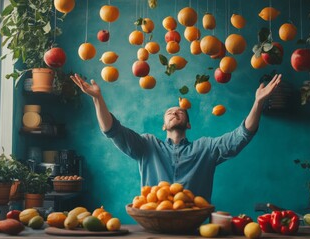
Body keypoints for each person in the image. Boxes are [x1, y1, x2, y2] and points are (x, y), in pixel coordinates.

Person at [70, 73, 281, 202]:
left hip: (194, 228)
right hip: (155, 223)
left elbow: (241, 136)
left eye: (180, 111)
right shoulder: (146, 145)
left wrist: (258, 103)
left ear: (188, 124)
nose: (174, 112)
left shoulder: (205, 148)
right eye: (169, 112)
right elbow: (112, 130)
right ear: (164, 125)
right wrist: (97, 98)